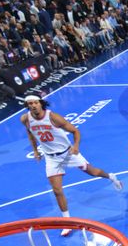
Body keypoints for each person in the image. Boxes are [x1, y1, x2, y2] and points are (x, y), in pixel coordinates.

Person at [21, 95, 122, 236]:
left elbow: (75, 131)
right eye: (30, 103)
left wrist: (75, 146)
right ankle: (67, 221)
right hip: (51, 158)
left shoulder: (54, 117)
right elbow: (30, 133)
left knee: (92, 171)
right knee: (57, 191)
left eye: (35, 103)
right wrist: (35, 150)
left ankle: (111, 176)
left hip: (68, 153)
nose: (33, 105)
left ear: (41, 103)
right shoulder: (25, 119)